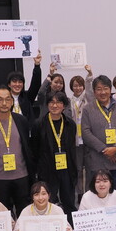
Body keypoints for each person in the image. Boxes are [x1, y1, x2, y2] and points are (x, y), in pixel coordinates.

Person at [0, 85, 35, 216]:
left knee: (24, 213)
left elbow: (27, 146)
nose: (4, 103)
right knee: (2, 215)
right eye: (0, 99)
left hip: (22, 176)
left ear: (12, 101)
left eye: (7, 99)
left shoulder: (21, 120)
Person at [31, 91, 77, 222]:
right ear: (47, 105)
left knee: (69, 201)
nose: (55, 105)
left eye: (58, 102)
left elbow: (72, 149)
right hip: (47, 169)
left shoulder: (70, 124)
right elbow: (34, 149)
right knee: (48, 201)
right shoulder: (39, 124)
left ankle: (70, 227)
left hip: (66, 169)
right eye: (51, 102)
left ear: (64, 106)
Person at [81, 75, 116, 191]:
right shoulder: (87, 109)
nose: (103, 92)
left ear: (110, 89)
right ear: (94, 92)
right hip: (98, 160)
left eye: (105, 88)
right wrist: (105, 150)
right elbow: (85, 132)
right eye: (99, 89)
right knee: (99, 193)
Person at [0, 51, 42, 124]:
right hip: (7, 129)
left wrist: (37, 65)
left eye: (20, 82)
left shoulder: (27, 98)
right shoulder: (3, 98)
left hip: (25, 129)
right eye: (14, 81)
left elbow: (36, 84)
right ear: (9, 84)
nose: (17, 84)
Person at [64, 66, 94, 200]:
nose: (78, 88)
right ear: (71, 87)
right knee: (78, 169)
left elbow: (89, 88)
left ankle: (89, 192)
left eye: (80, 85)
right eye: (75, 86)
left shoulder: (88, 98)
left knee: (89, 168)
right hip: (75, 141)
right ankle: (80, 194)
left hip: (88, 139)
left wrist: (90, 74)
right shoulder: (68, 102)